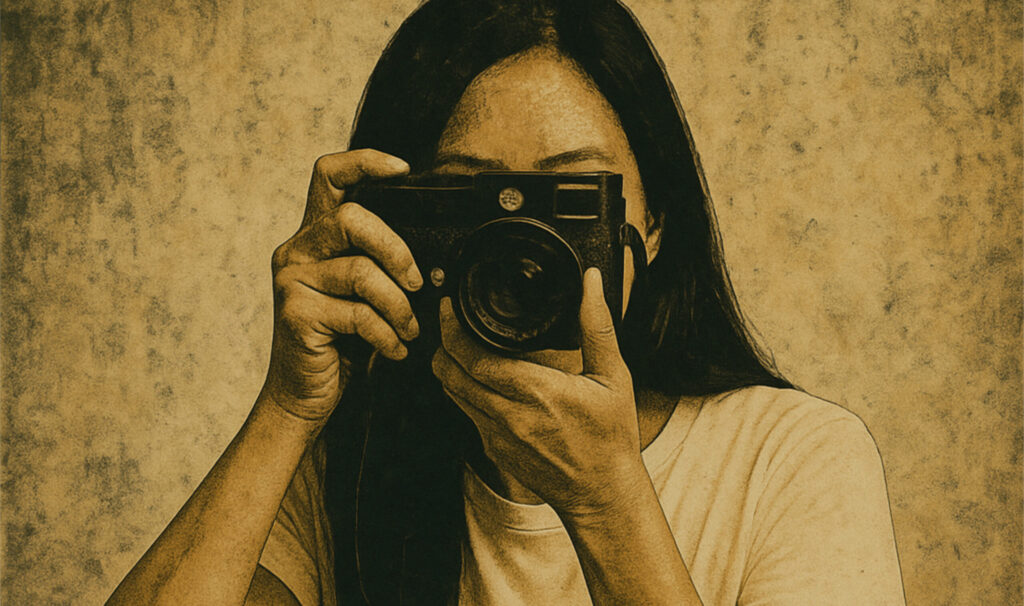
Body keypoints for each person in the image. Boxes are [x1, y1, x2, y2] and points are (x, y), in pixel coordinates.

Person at [108, 1, 906, 604]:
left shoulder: (791, 458)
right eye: (471, 200)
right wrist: (286, 408)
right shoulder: (347, 473)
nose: (525, 257)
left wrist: (608, 504)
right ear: (400, 223)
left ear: (656, 221)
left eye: (570, 198)